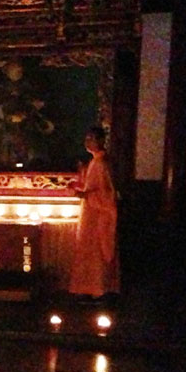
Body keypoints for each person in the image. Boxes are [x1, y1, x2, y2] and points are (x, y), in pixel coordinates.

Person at [68, 127, 120, 300]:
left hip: (98, 215)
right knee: (88, 251)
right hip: (91, 212)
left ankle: (99, 289)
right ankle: (87, 289)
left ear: (101, 141)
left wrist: (85, 194)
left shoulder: (102, 163)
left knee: (97, 252)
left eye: (91, 138)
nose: (87, 142)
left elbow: (108, 193)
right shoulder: (94, 162)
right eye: (86, 138)